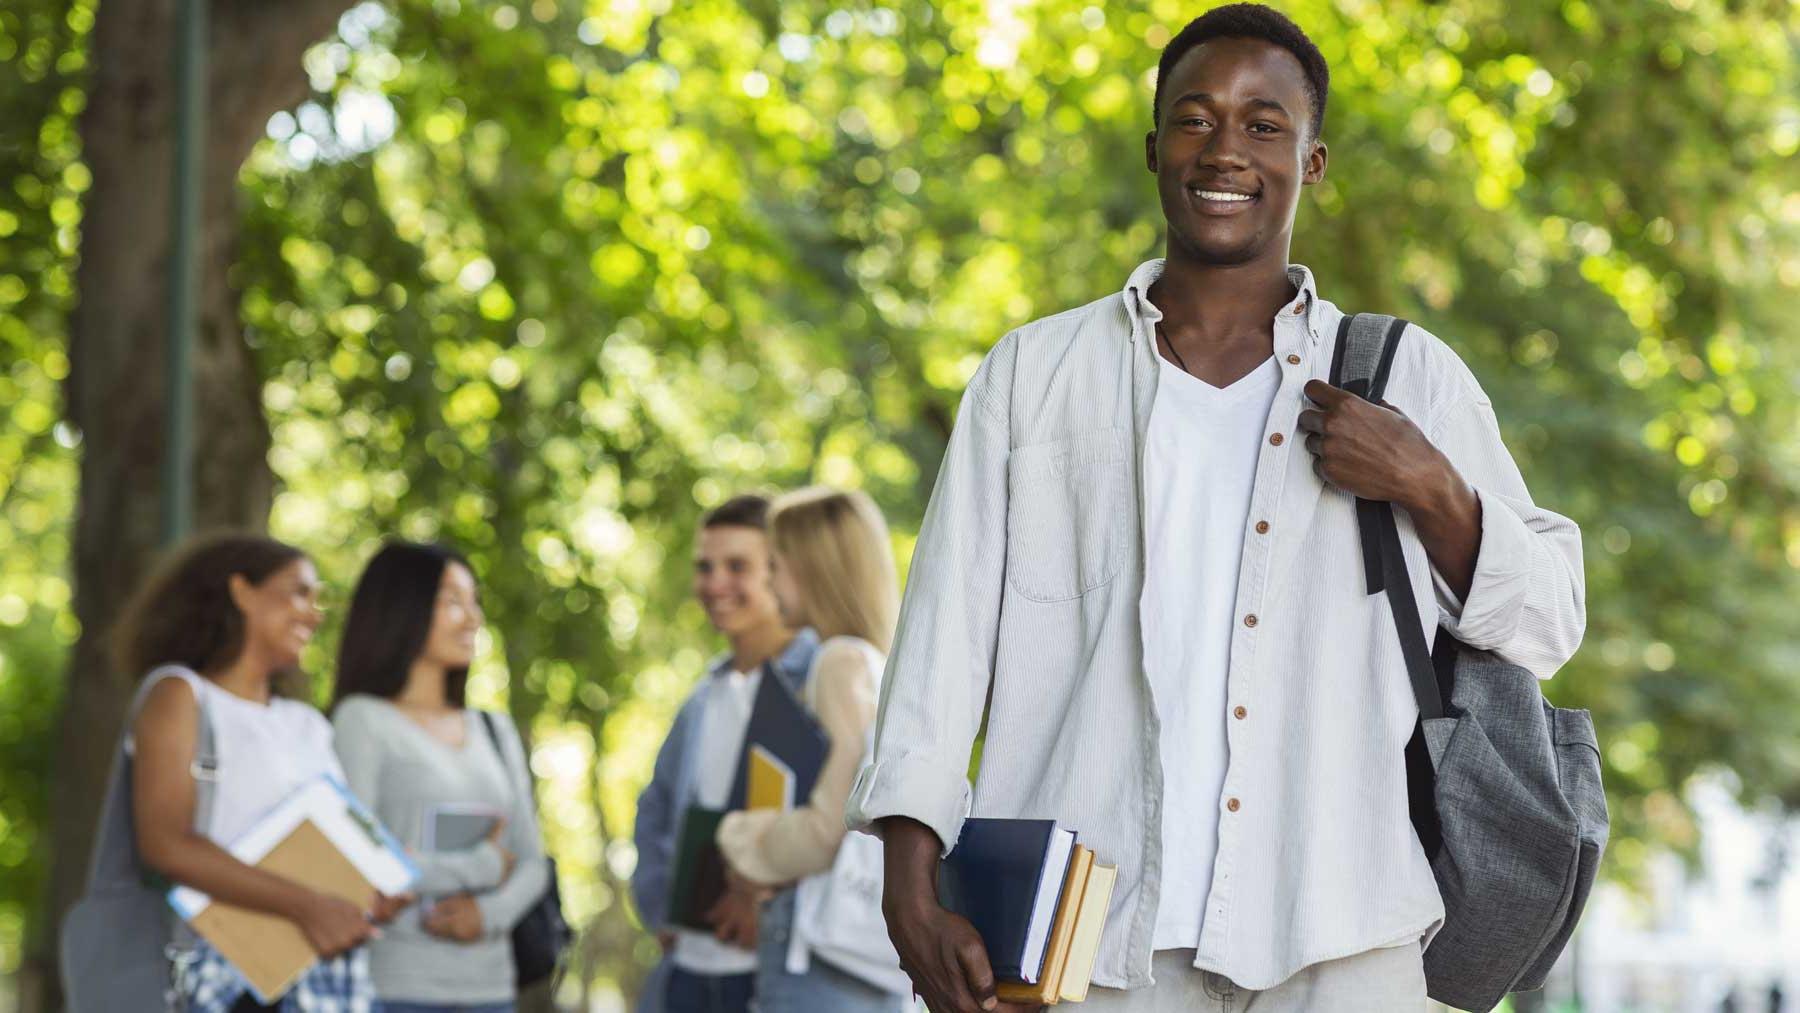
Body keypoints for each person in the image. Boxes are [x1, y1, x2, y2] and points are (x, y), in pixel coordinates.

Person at [846, 5, 1587, 1012]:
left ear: (1312, 162)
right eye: (1196, 118)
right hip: (1085, 939)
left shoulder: (1407, 378)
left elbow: (1550, 618)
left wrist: (1429, 482)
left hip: (1343, 936)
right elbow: (943, 644)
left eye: (1263, 124)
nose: (1225, 148)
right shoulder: (1035, 376)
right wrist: (908, 884)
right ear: (1156, 146)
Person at [116, 533, 408, 1011]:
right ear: (240, 591)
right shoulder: (181, 695)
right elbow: (166, 845)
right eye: (299, 592)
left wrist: (374, 890)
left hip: (315, 983)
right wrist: (307, 905)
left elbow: (336, 841)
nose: (314, 614)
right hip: (219, 976)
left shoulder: (306, 723)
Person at [330, 541, 548, 1013]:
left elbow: (533, 862)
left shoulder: (494, 729)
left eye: (474, 603)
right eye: (452, 601)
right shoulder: (362, 720)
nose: (472, 619)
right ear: (401, 609)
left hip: (492, 992)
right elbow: (360, 864)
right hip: (398, 989)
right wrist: (486, 865)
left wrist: (487, 915)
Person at [714, 487, 910, 1011]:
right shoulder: (878, 666)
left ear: (811, 568)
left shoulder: (839, 663)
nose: (768, 580)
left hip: (823, 968)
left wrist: (739, 839)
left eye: (775, 564)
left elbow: (831, 826)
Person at [629, 495, 819, 1013]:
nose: (714, 584)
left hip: (777, 977)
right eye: (704, 567)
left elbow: (847, 830)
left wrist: (773, 912)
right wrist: (662, 910)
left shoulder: (824, 680)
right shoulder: (703, 697)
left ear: (781, 571)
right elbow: (657, 807)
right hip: (687, 976)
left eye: (737, 566)